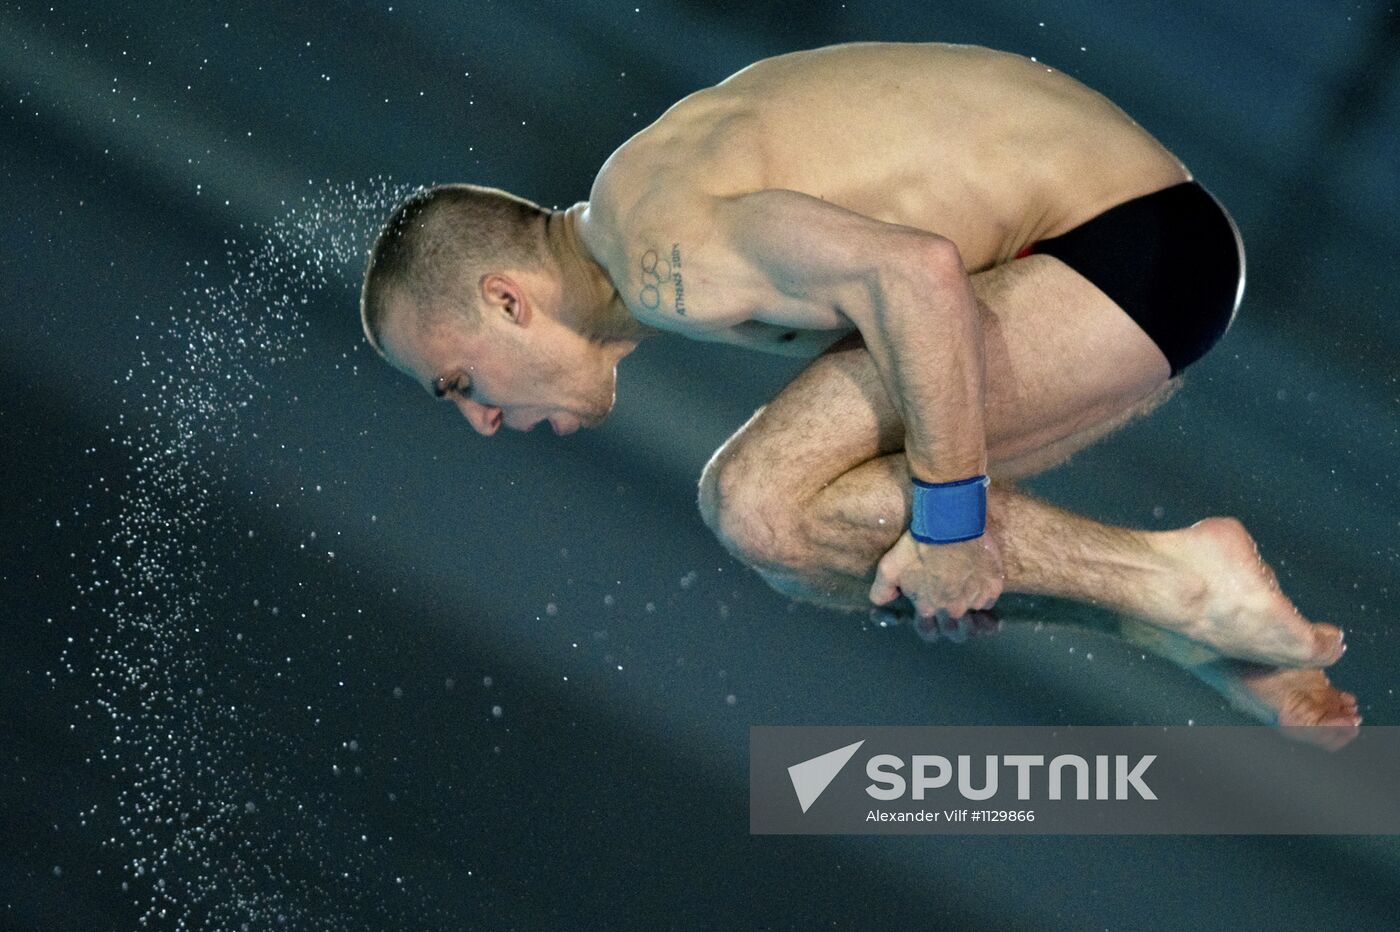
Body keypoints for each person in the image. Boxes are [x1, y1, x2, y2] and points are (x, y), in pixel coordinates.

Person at [358, 42, 1360, 737]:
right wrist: (943, 541)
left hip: (1121, 245)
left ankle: (1177, 581)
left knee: (759, 501)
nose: (481, 419)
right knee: (807, 544)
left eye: (456, 381)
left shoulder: (662, 249)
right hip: (1128, 253)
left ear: (505, 299)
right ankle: (1178, 621)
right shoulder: (642, 214)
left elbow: (915, 275)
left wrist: (955, 520)